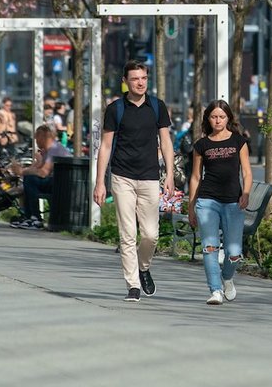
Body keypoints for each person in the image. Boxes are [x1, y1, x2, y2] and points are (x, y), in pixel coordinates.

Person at [93, 61, 175, 302]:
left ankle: (144, 267)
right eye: (135, 79)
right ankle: (133, 285)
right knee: (127, 234)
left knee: (151, 235)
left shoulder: (157, 107)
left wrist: (169, 173)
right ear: (126, 82)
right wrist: (100, 182)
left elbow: (166, 142)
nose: (140, 82)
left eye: (144, 78)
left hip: (150, 177)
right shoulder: (116, 109)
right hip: (122, 177)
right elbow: (105, 146)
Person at [187, 100, 252, 305]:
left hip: (233, 202)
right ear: (208, 118)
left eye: (222, 117)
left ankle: (226, 278)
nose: (218, 120)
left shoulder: (238, 142)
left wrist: (246, 193)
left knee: (234, 253)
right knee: (210, 247)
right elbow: (196, 177)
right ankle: (215, 290)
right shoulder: (201, 145)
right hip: (207, 201)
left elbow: (247, 172)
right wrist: (191, 206)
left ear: (228, 119)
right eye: (214, 116)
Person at [9, 124, 70, 230]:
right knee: (28, 179)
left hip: (61, 184)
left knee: (30, 180)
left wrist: (23, 171)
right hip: (55, 182)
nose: (36, 141)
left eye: (37, 138)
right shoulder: (46, 151)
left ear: (43, 137)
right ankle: (28, 217)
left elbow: (43, 173)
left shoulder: (54, 149)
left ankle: (35, 218)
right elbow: (37, 169)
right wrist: (35, 164)